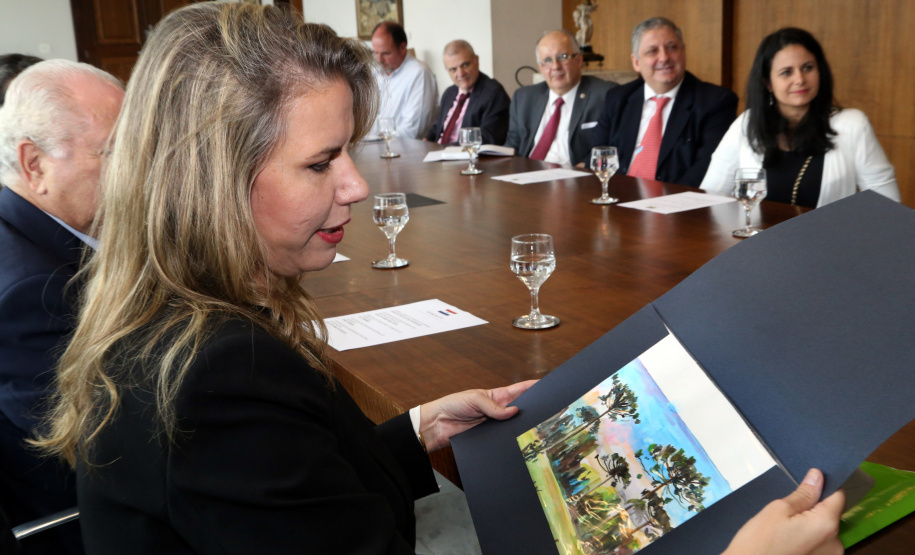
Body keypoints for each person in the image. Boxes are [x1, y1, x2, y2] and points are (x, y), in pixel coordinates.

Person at [34, 4, 530, 553]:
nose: (356, 186)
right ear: (215, 180)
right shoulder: (221, 376)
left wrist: (423, 427)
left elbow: (298, 471)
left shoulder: (184, 318)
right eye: (321, 164)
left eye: (348, 152)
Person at [0, 59, 123, 554]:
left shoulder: (30, 232)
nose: (138, 174)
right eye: (113, 153)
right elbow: (105, 449)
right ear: (34, 164)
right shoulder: (33, 290)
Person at [700, 28, 899, 207]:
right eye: (786, 72)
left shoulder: (852, 124)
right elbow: (711, 196)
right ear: (768, 83)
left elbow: (888, 205)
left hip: (828, 245)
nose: (800, 80)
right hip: (756, 243)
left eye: (807, 68)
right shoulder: (748, 123)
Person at [592, 17, 737, 186]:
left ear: (683, 52)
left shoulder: (715, 102)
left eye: (671, 47)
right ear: (636, 62)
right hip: (617, 198)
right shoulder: (618, 98)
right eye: (652, 51)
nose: (664, 57)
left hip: (678, 204)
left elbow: (708, 169)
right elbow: (597, 155)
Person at [505, 29, 613, 166]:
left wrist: (585, 166)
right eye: (548, 60)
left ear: (579, 60)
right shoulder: (524, 98)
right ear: (540, 68)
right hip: (525, 176)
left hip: (573, 178)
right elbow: (512, 147)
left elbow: (611, 146)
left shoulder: (605, 94)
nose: (556, 66)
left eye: (563, 57)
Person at [425, 40, 510, 146]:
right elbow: (439, 126)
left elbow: (488, 137)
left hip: (467, 157)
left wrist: (444, 149)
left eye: (465, 65)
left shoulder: (493, 93)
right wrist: (426, 141)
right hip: (438, 154)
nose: (460, 73)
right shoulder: (449, 93)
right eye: (453, 69)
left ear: (476, 61)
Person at [371, 21, 438, 139]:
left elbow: (412, 131)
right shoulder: (376, 72)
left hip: (407, 151)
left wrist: (373, 139)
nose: (379, 59)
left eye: (386, 53)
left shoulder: (419, 73)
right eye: (375, 53)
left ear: (402, 48)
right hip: (376, 146)